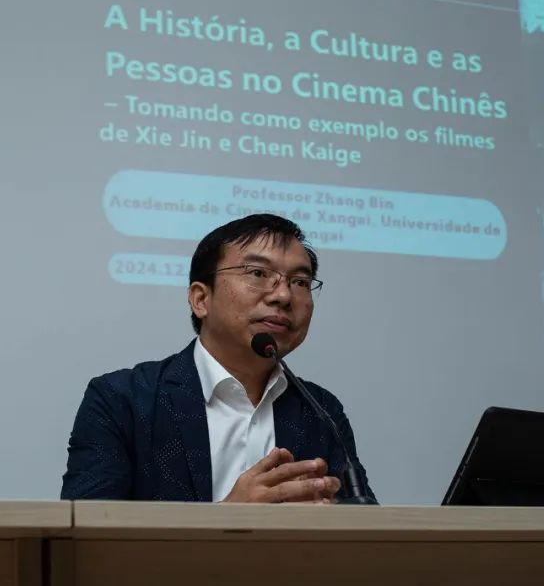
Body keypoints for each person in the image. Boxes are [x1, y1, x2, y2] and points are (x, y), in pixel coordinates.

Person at [61, 214, 376, 503]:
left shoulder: (320, 411)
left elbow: (367, 526)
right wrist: (229, 519)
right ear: (201, 299)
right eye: (258, 273)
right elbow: (88, 536)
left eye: (300, 282)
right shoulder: (123, 400)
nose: (283, 295)